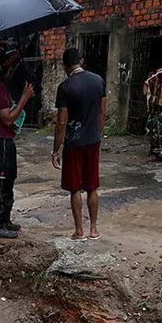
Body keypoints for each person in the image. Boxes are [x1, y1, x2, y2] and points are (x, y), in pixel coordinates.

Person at [52, 47, 107, 240]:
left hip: (74, 144)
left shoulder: (65, 87)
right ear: (81, 61)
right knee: (92, 186)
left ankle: (79, 231)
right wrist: (97, 134)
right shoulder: (98, 81)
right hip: (93, 141)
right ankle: (93, 230)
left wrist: (55, 150)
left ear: (65, 65)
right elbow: (102, 112)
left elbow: (61, 122)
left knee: (75, 187)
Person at [0, 41, 34, 239]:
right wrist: (24, 98)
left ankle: (4, 220)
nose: (12, 69)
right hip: (0, 142)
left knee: (7, 180)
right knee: (0, 182)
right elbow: (8, 118)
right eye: (10, 65)